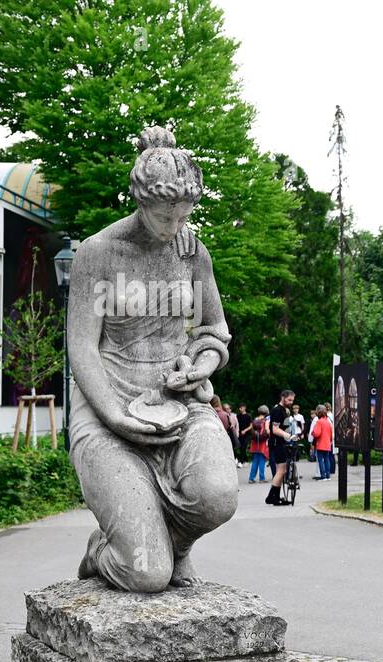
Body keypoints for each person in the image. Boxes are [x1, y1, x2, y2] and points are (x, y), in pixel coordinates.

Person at [67, 126, 237, 591]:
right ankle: (103, 552)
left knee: (218, 496)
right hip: (109, 412)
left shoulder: (190, 251)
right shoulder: (98, 253)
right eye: (167, 217)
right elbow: (80, 348)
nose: (177, 227)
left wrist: (201, 364)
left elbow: (212, 332)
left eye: (185, 216)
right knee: (146, 574)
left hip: (180, 405)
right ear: (141, 201)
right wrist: (116, 418)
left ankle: (174, 544)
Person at [265, 388, 298, 505]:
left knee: (282, 471)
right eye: (289, 400)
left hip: (281, 442)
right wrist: (288, 436)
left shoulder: (284, 410)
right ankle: (272, 497)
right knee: (281, 470)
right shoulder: (277, 410)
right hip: (277, 443)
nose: (291, 402)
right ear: (283, 398)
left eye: (292, 400)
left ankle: (274, 497)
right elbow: (274, 429)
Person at [310, 405, 333, 480]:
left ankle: (323, 476)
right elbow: (330, 434)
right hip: (327, 444)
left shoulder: (319, 422)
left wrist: (312, 432)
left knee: (320, 460)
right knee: (327, 459)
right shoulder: (328, 422)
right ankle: (328, 475)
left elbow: (317, 433)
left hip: (320, 444)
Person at [247, 405, 269, 483]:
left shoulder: (254, 420)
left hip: (255, 443)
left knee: (255, 461)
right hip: (262, 443)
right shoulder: (265, 420)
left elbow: (250, 429)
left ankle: (251, 478)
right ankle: (262, 478)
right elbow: (267, 430)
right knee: (262, 461)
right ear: (266, 412)